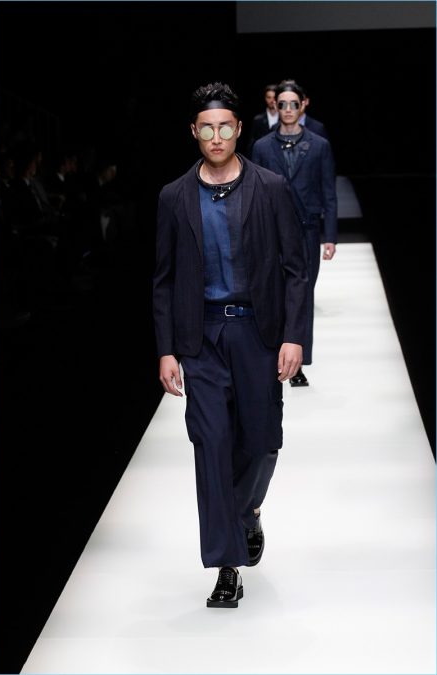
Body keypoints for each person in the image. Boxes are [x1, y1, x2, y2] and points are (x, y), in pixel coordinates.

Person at [153, 82, 308, 608]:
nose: (216, 136)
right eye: (206, 128)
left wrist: (294, 336)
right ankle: (227, 564)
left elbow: (294, 269)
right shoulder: (174, 196)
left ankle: (247, 512)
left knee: (261, 442)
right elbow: (164, 280)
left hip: (257, 334)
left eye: (224, 126)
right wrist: (167, 349)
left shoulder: (270, 188)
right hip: (202, 339)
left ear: (239, 129)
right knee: (211, 446)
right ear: (194, 132)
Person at [251, 79, 337, 386]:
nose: (287, 109)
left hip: (307, 231)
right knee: (273, 294)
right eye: (282, 104)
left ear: (302, 106)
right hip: (272, 233)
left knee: (302, 296)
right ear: (275, 106)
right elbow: (253, 194)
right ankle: (274, 354)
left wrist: (330, 236)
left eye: (293, 104)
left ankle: (298, 363)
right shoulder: (261, 147)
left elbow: (329, 193)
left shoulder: (320, 145)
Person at [246, 83, 279, 156]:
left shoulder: (283, 119)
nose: (272, 100)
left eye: (274, 97)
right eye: (269, 97)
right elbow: (252, 143)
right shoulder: (258, 120)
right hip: (262, 156)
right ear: (265, 98)